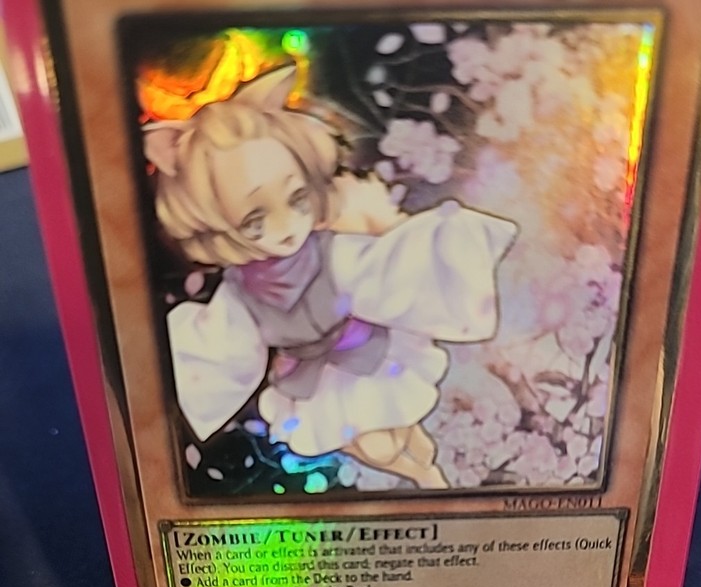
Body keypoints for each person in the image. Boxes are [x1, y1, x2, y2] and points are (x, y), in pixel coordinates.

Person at [144, 65, 518, 490]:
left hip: (366, 353)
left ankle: (424, 468)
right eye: (254, 222)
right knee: (374, 446)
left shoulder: (331, 251)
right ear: (217, 227)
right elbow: (221, 352)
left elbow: (385, 271)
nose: (286, 228)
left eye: (297, 199)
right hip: (310, 382)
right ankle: (425, 476)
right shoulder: (238, 294)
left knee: (396, 430)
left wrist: (443, 246)